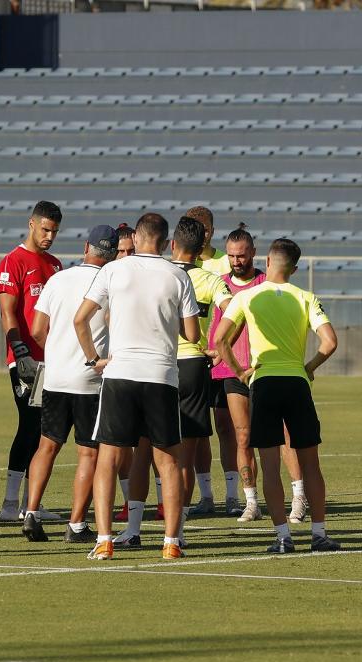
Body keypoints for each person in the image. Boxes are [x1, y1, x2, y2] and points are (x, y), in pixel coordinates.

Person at [74, 213, 200, 560]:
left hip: (121, 374)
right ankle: (171, 543)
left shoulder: (113, 270)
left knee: (108, 460)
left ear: (138, 238)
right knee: (168, 463)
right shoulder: (177, 275)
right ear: (166, 242)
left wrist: (92, 358)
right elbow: (192, 335)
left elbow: (80, 318)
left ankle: (104, 539)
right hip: (160, 376)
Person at [214, 238, 342, 554]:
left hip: (264, 384)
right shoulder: (306, 297)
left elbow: (219, 340)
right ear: (295, 269)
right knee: (310, 464)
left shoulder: (247, 296)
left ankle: (283, 537)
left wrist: (241, 371)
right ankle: (319, 534)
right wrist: (309, 367)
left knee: (269, 465)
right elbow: (330, 342)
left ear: (268, 263)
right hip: (297, 384)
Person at [21, 225, 115, 543]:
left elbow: (36, 329)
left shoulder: (58, 278)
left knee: (47, 445)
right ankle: (76, 525)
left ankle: (31, 511)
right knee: (88, 453)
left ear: (86, 246)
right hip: (91, 377)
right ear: (113, 253)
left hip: (56, 376)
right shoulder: (110, 281)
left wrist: (57, 349)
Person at [0, 200, 63, 521]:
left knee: (44, 430)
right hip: (24, 361)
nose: (49, 236)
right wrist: (19, 352)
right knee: (29, 425)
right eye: (45, 229)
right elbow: (8, 312)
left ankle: (29, 504)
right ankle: (11, 503)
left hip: (53, 361)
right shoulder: (13, 261)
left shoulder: (56, 265)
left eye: (55, 231)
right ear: (32, 224)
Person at [171, 216, 232, 528]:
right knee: (187, 452)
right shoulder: (209, 279)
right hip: (194, 365)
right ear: (201, 248)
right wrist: (219, 346)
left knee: (149, 450)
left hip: (157, 366)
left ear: (172, 244)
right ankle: (176, 528)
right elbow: (235, 309)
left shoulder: (159, 274)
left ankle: (135, 523)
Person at [208, 228, 263, 519]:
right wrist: (214, 355)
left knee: (281, 437)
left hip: (265, 370)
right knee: (242, 436)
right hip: (232, 372)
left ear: (253, 252)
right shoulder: (221, 286)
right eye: (230, 255)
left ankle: (298, 495)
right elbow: (218, 331)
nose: (236, 261)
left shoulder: (267, 283)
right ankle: (251, 502)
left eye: (241, 255)